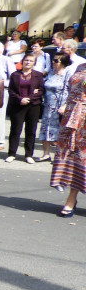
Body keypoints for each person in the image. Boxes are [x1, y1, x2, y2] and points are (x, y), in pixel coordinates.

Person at [50, 60, 86, 216]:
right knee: (73, 158)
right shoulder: (80, 67)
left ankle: (71, 200)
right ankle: (71, 199)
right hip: (72, 115)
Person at [3, 60, 45, 163]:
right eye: (26, 60)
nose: (28, 62)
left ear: (34, 63)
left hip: (33, 105)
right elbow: (11, 90)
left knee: (31, 130)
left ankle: (29, 155)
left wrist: (29, 98)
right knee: (15, 130)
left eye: (31, 61)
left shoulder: (38, 75)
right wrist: (20, 99)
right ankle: (12, 153)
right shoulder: (15, 74)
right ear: (23, 62)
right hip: (18, 105)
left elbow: (41, 90)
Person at [39, 52, 72, 162]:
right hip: (48, 106)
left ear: (63, 63)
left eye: (56, 61)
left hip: (60, 107)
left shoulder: (67, 73)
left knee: (59, 131)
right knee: (46, 129)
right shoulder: (51, 72)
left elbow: (71, 91)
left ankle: (59, 156)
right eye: (53, 60)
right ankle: (46, 154)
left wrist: (65, 105)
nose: (54, 62)